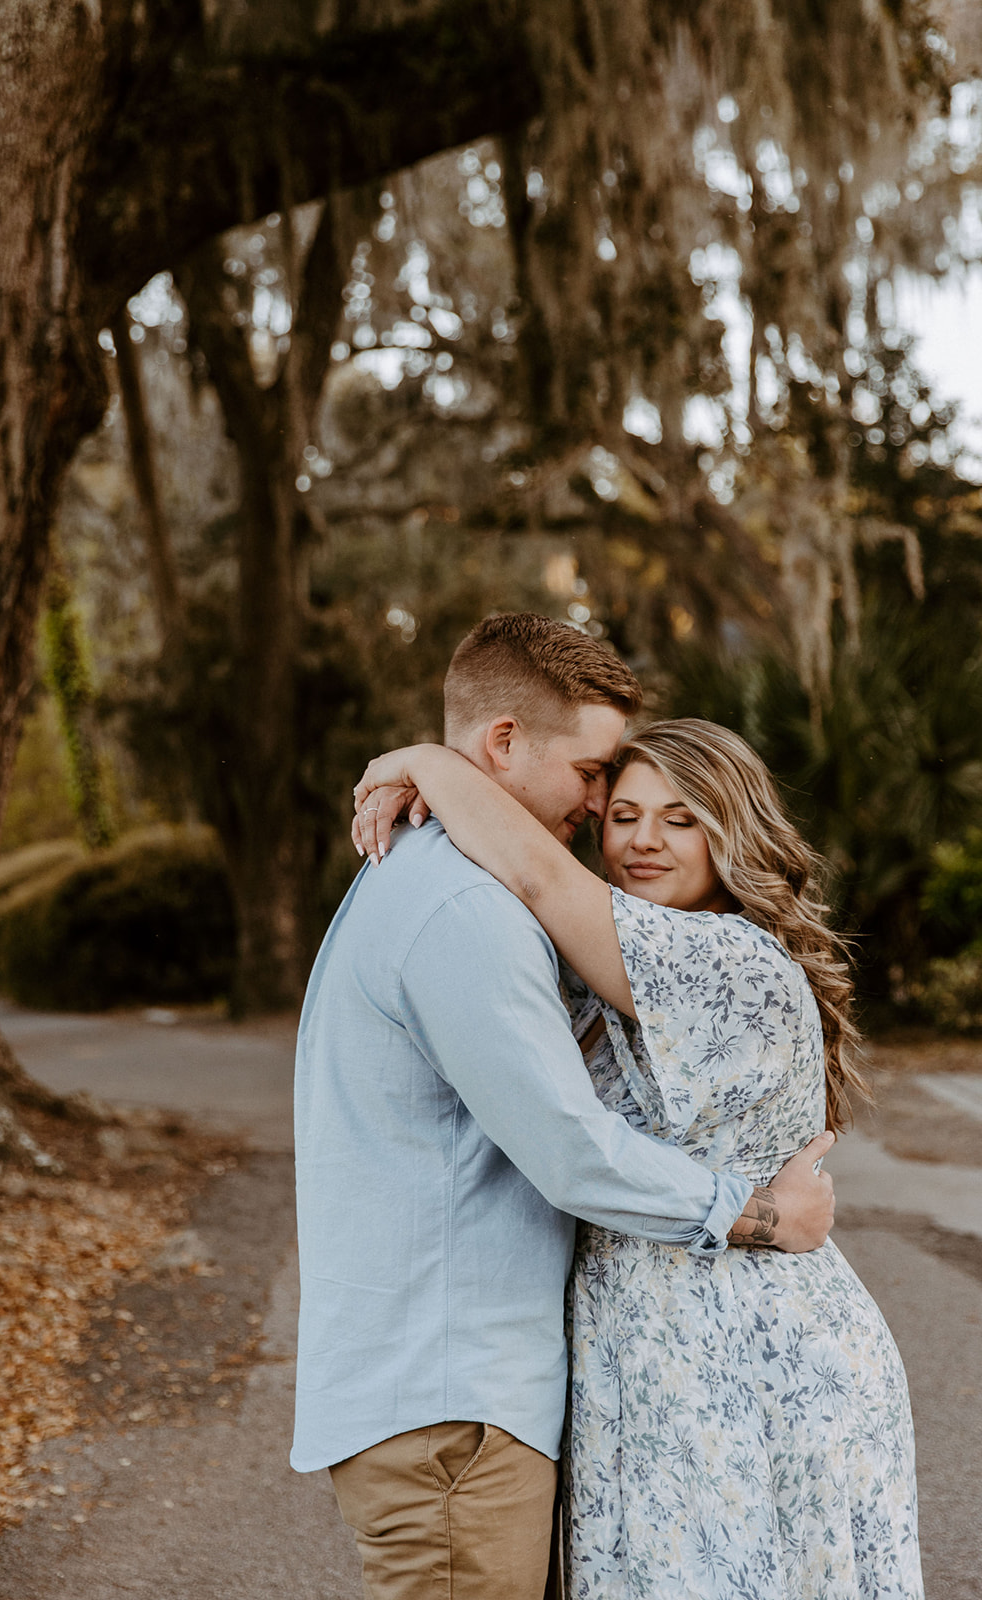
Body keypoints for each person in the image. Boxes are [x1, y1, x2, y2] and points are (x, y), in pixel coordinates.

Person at [293, 614, 835, 1600]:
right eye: (594, 777)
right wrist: (754, 1211)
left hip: (454, 1398)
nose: (601, 810)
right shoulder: (464, 904)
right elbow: (568, 1148)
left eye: (674, 816)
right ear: (502, 744)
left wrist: (425, 762)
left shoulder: (445, 878)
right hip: (452, 1409)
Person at [354, 716, 923, 1600]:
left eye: (681, 817)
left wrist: (425, 760)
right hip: (651, 1349)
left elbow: (538, 873)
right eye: (622, 813)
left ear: (733, 832)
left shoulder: (725, 959)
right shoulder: (618, 961)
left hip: (746, 1358)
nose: (643, 840)